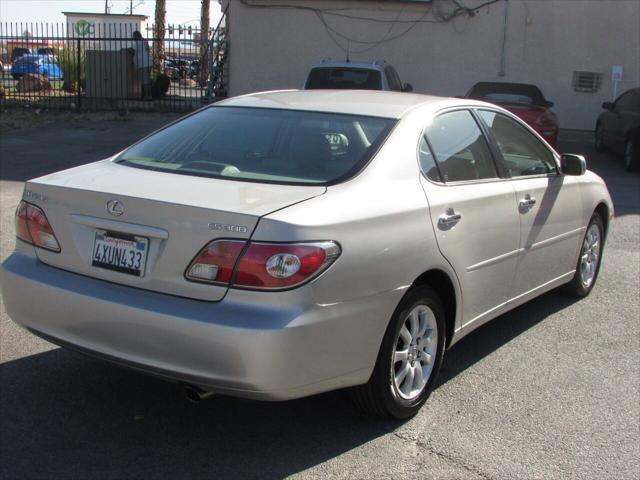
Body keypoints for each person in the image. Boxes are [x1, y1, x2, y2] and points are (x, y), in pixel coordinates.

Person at [131, 31, 152, 99]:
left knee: (145, 81)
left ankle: (146, 96)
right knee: (147, 81)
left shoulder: (137, 43)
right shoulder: (145, 41)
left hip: (143, 64)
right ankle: (148, 95)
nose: (132, 38)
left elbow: (132, 51)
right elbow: (148, 49)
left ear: (136, 36)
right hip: (148, 63)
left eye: (133, 36)